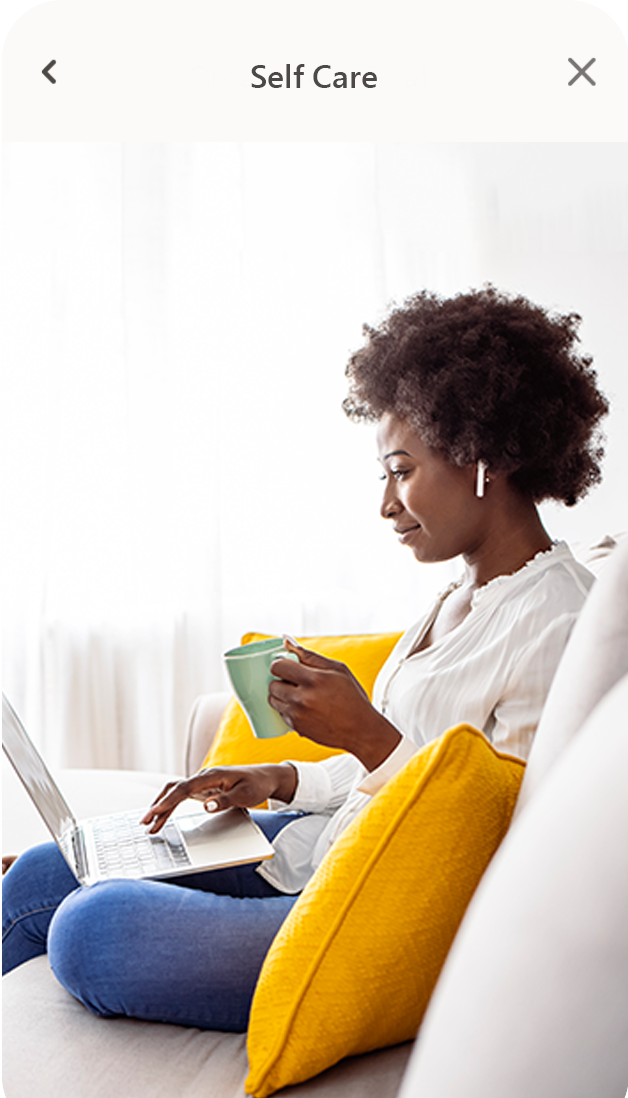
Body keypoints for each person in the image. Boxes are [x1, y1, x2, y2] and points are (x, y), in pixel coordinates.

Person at [2, 286, 609, 1033]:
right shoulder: (464, 592)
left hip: (380, 922)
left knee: (89, 928)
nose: (386, 504)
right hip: (322, 860)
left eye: (401, 469)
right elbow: (399, 769)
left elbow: (498, 839)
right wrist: (277, 778)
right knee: (45, 870)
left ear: (485, 457)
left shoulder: (561, 621)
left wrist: (367, 734)